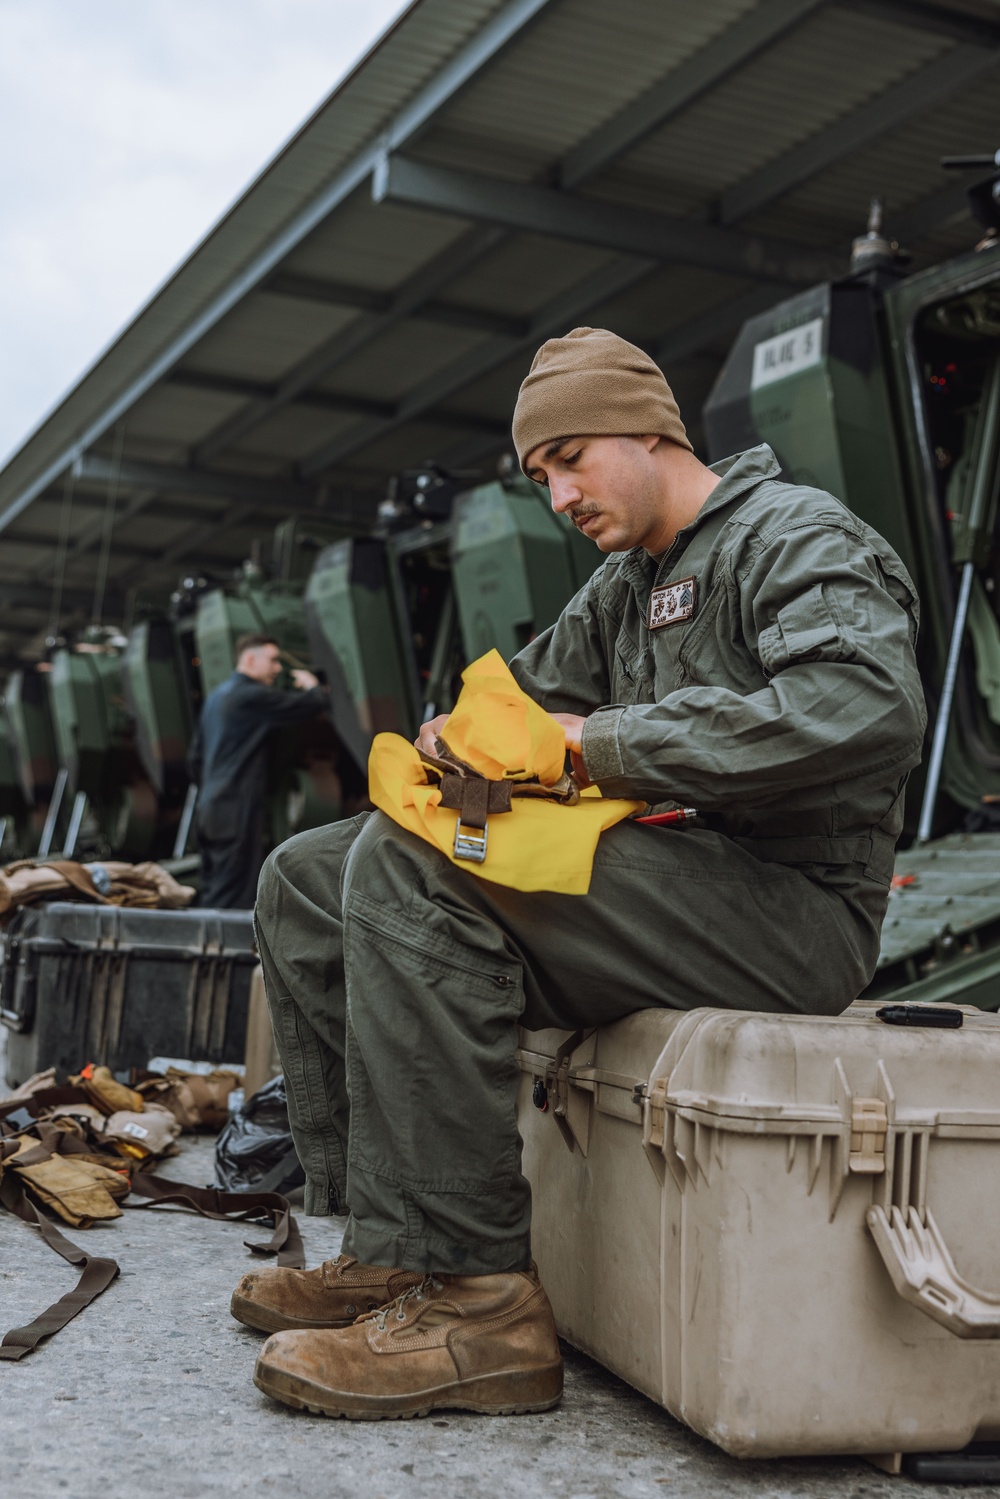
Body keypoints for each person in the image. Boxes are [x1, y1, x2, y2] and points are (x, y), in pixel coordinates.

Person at [233, 328, 926, 1420]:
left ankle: (479, 1306)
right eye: (539, 474)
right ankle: (393, 1247)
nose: (556, 493)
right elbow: (523, 703)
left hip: (788, 907)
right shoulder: (628, 586)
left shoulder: (792, 535)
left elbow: (864, 707)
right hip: (676, 886)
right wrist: (454, 738)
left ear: (651, 430)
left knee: (418, 869)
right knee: (307, 873)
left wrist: (597, 744)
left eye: (569, 457)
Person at [188, 633, 329, 909]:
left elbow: (194, 759)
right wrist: (314, 687)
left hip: (208, 809)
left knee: (215, 890)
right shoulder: (250, 695)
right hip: (234, 811)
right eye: (273, 660)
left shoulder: (217, 697)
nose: (278, 669)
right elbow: (306, 706)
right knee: (230, 900)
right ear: (250, 659)